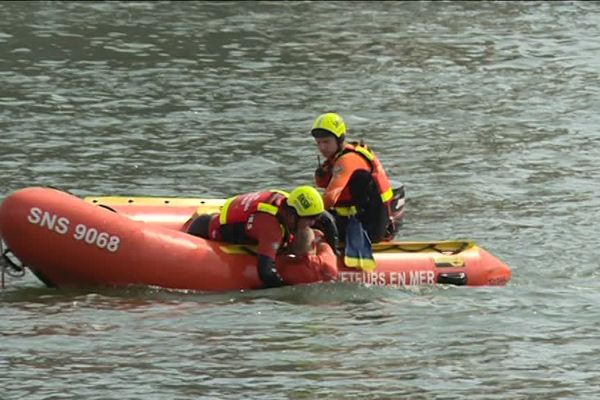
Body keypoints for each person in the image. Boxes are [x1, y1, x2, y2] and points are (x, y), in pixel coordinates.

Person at [185, 185, 337, 288]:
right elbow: (265, 273)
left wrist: (335, 250)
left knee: (307, 233)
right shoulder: (270, 229)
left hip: (236, 221)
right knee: (306, 235)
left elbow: (326, 220)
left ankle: (302, 256)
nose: (313, 222)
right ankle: (303, 264)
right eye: (309, 220)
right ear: (292, 215)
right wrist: (290, 291)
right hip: (206, 229)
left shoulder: (286, 200)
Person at [311, 112, 397, 244]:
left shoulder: (348, 160)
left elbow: (329, 198)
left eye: (326, 141)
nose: (322, 147)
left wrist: (300, 215)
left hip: (369, 227)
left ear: (339, 139)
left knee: (310, 225)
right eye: (319, 143)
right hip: (354, 220)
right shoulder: (332, 162)